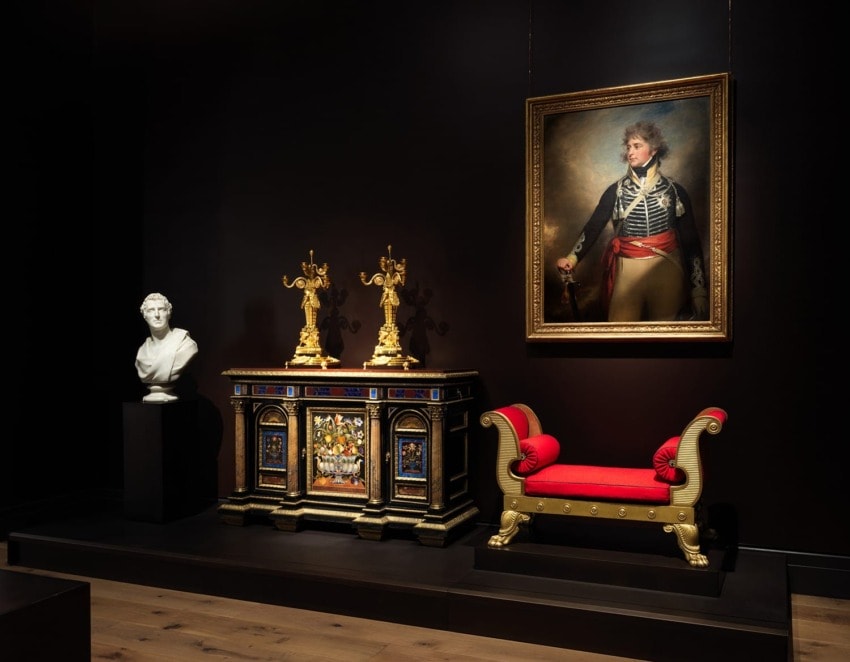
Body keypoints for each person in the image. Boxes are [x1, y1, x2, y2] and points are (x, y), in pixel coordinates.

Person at [555, 120, 708, 322]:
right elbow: (593, 226)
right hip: (627, 270)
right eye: (628, 147)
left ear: (653, 150)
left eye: (637, 146)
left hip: (668, 269)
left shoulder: (675, 191)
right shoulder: (615, 191)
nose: (630, 152)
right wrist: (572, 257)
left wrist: (699, 289)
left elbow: (691, 242)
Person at [135, 292, 198, 402]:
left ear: (168, 313)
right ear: (145, 315)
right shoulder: (142, 352)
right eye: (151, 310)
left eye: (161, 309)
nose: (157, 314)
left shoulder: (185, 345)